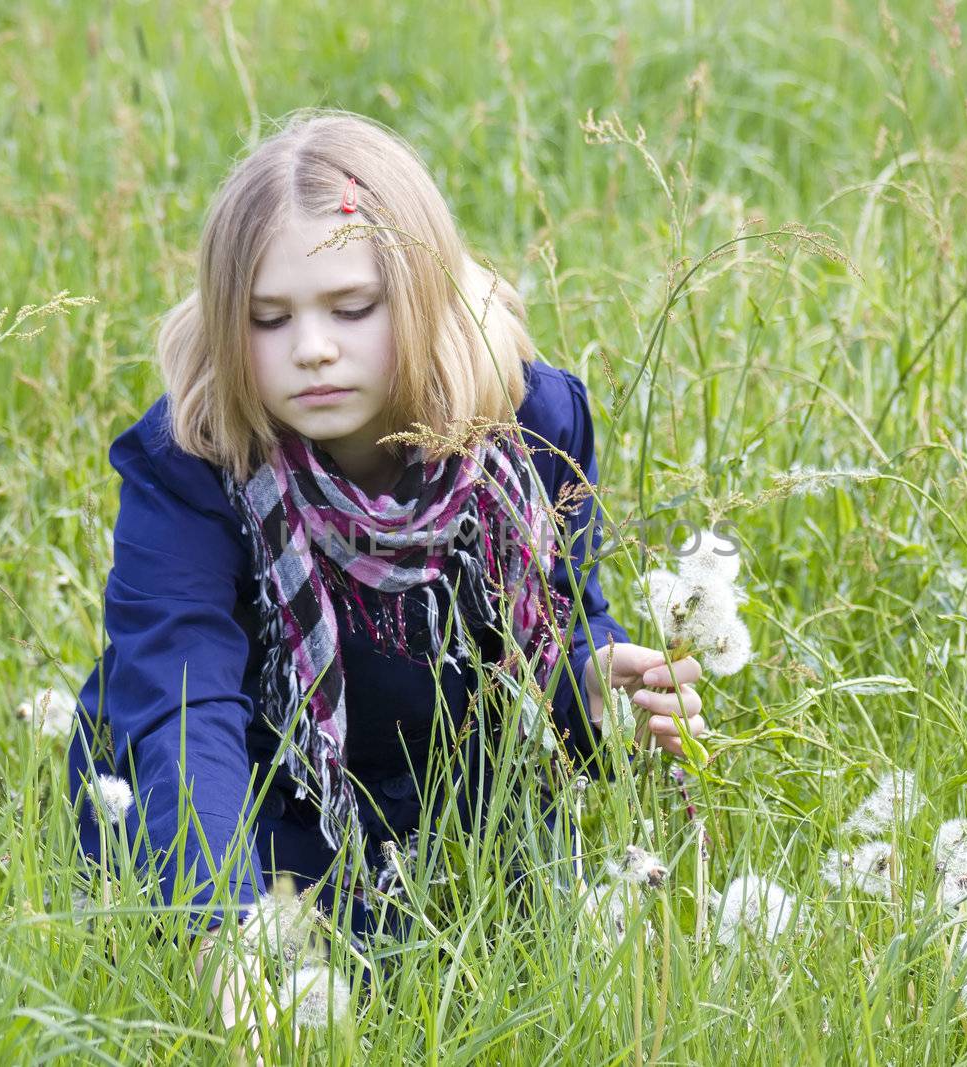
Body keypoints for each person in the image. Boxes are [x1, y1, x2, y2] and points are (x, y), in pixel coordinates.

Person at [65, 108, 706, 1041]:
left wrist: (597, 689)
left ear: (419, 294)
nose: (312, 347)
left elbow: (551, 634)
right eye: (268, 318)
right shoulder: (195, 455)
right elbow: (183, 698)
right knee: (280, 953)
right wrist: (222, 927)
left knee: (498, 955)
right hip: (247, 786)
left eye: (351, 307)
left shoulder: (533, 423)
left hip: (448, 788)